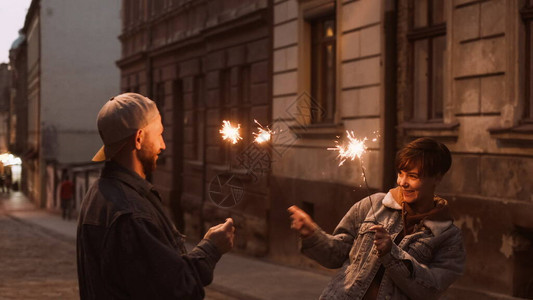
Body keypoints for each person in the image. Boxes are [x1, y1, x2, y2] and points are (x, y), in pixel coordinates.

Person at [77, 93, 235, 299]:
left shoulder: (99, 192)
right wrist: (211, 248)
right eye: (159, 134)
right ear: (139, 138)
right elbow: (176, 289)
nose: (163, 145)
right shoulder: (131, 213)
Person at [288, 138, 465, 300]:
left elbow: (429, 290)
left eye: (413, 176)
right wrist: (312, 234)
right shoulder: (372, 205)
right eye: (401, 173)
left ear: (437, 177)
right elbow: (335, 256)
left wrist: (392, 253)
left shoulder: (448, 236)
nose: (402, 182)